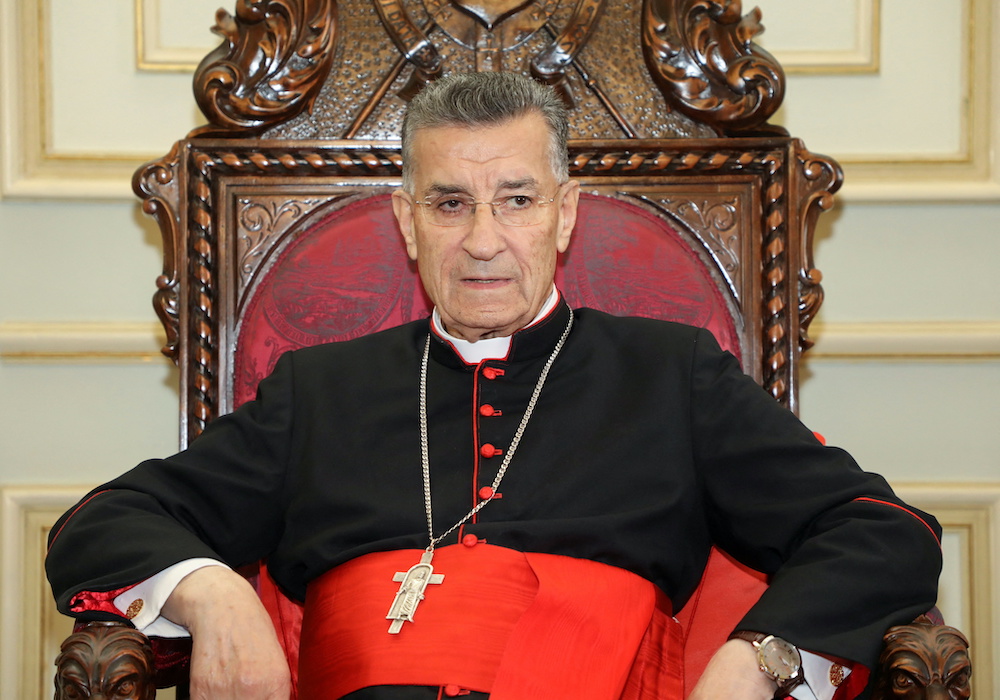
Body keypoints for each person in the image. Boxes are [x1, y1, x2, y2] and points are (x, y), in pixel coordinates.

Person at [46, 72, 942, 700]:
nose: (482, 239)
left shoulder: (672, 376)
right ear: (406, 221)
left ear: (565, 215)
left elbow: (883, 534)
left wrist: (764, 658)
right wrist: (214, 592)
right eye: (448, 203)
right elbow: (99, 526)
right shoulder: (317, 392)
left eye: (516, 199)